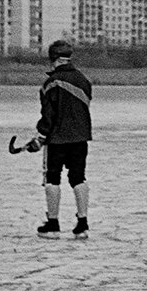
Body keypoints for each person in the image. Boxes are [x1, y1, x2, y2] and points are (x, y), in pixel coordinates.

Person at [32, 40, 93, 239]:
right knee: (78, 178)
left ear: (53, 59)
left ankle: (53, 224)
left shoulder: (50, 83)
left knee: (52, 178)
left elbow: (48, 114)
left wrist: (40, 137)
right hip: (80, 137)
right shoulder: (84, 80)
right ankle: (82, 224)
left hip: (57, 139)